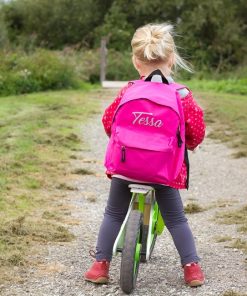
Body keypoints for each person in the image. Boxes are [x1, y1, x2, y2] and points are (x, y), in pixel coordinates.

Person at [84, 23, 206, 287]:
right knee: (176, 219)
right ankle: (192, 268)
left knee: (113, 214)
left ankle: (100, 264)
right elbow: (196, 129)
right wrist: (191, 143)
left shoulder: (129, 90)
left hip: (126, 167)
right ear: (172, 58)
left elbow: (109, 122)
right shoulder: (182, 95)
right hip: (163, 172)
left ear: (135, 61)